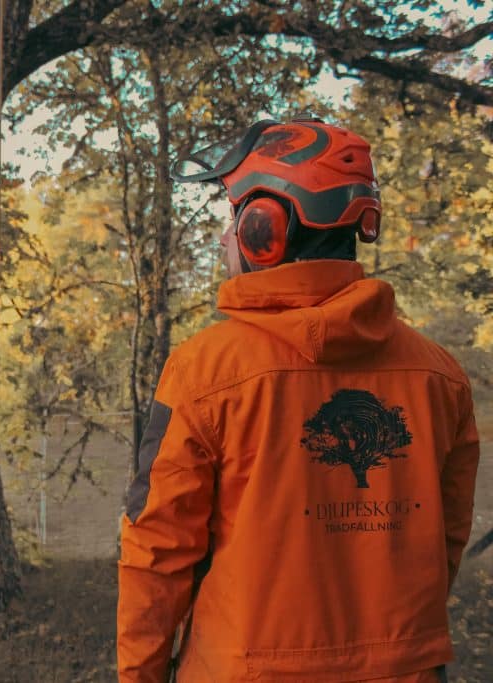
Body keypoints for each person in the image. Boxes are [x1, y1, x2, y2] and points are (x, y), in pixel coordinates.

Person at [117, 115, 480, 683]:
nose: (225, 236)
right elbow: (444, 540)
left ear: (264, 229)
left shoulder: (203, 371)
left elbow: (157, 551)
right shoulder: (440, 376)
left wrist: (138, 675)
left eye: (234, 217)